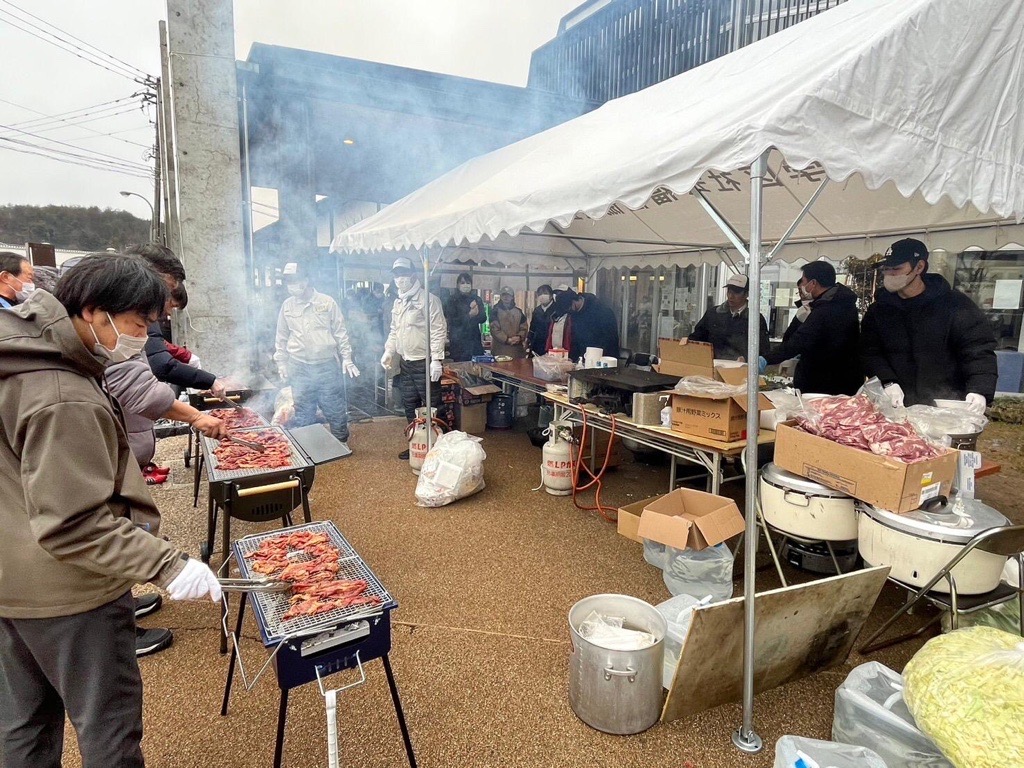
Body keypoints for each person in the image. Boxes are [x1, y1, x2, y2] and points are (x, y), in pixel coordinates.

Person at [0, 254, 222, 768]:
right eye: (138, 324)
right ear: (95, 312)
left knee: (24, 729)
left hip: (12, 582)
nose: (142, 338)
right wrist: (168, 564)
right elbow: (73, 523)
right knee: (109, 732)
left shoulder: (18, 352)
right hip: (69, 595)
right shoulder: (59, 394)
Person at [861, 238, 997, 411]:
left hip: (945, 403)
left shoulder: (955, 305)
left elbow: (978, 349)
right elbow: (870, 352)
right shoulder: (879, 310)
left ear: (919, 267)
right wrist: (887, 381)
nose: (890, 275)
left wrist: (979, 390)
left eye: (896, 269)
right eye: (886, 270)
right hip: (897, 405)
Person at [123, 243, 232, 396]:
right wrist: (209, 381)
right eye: (167, 295)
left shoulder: (138, 316)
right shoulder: (134, 314)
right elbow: (162, 365)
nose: (167, 311)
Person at [274, 262, 359, 447]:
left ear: (305, 280)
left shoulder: (326, 302)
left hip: (325, 364)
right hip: (299, 365)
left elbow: (340, 332)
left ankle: (341, 442)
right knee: (303, 408)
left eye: (295, 280)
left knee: (333, 406)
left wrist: (347, 358)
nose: (292, 285)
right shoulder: (287, 306)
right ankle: (307, 446)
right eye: (288, 281)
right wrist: (281, 362)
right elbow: (281, 336)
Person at [758, 261, 862, 395]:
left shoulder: (825, 310)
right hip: (841, 382)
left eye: (804, 281)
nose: (802, 286)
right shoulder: (844, 304)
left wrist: (766, 359)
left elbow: (798, 341)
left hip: (824, 386)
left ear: (813, 283)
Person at [381, 256, 446, 459]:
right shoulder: (398, 302)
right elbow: (394, 330)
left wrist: (436, 359)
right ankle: (416, 444)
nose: (400, 279)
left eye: (404, 274)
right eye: (397, 275)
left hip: (424, 362)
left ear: (413, 275)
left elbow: (438, 329)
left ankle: (439, 448)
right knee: (410, 404)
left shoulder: (429, 300)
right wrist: (389, 351)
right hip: (405, 362)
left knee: (431, 406)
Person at [688, 274, 769, 361]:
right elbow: (696, 338)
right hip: (712, 366)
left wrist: (746, 359)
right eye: (729, 291)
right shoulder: (713, 313)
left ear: (746, 294)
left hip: (740, 369)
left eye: (736, 292)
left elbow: (763, 350)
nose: (731, 296)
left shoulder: (755, 319)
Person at [550, 286, 620, 362]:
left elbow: (610, 339)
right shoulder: (574, 314)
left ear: (573, 301)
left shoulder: (601, 310)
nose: (569, 312)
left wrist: (596, 357)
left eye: (569, 309)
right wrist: (572, 359)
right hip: (585, 358)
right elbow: (575, 339)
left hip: (604, 359)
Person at [444, 272, 486, 361]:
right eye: (462, 283)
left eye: (468, 283)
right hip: (458, 343)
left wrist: (477, 313)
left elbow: (483, 318)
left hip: (475, 342)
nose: (465, 285)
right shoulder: (452, 300)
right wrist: (469, 315)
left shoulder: (477, 299)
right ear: (458, 285)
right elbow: (452, 321)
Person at [491, 286, 529, 359]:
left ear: (512, 297)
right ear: (501, 297)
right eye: (504, 295)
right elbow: (494, 330)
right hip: (499, 350)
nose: (506, 297)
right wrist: (507, 339)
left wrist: (519, 337)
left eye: (508, 295)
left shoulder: (519, 312)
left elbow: (524, 328)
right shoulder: (495, 311)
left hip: (517, 351)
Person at [526, 284, 555, 356]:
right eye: (540, 294)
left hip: (551, 344)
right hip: (537, 344)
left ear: (551, 295)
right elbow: (533, 327)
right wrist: (528, 339)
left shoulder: (556, 309)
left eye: (545, 293)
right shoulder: (537, 310)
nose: (542, 296)